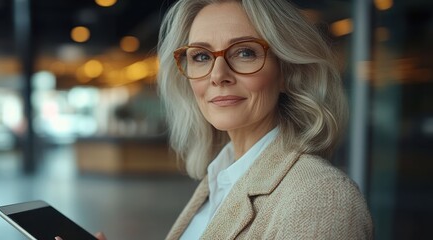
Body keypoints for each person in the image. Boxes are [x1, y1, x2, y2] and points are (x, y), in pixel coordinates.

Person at [155, 0, 373, 239]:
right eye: (201, 56)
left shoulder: (322, 196)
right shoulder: (220, 178)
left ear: (287, 72)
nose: (218, 76)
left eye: (244, 52)